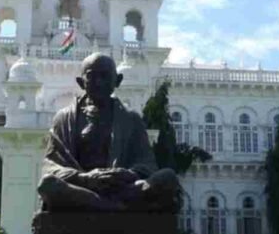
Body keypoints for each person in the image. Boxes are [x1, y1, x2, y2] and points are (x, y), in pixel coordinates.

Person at [37, 53, 179, 212]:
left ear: (117, 81)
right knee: (48, 184)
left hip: (121, 188)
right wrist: (86, 178)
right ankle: (110, 206)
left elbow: (147, 165)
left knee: (168, 177)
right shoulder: (64, 119)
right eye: (92, 76)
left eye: (105, 76)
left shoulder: (131, 120)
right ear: (81, 82)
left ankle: (102, 205)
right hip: (82, 187)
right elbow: (51, 167)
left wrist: (125, 175)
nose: (99, 82)